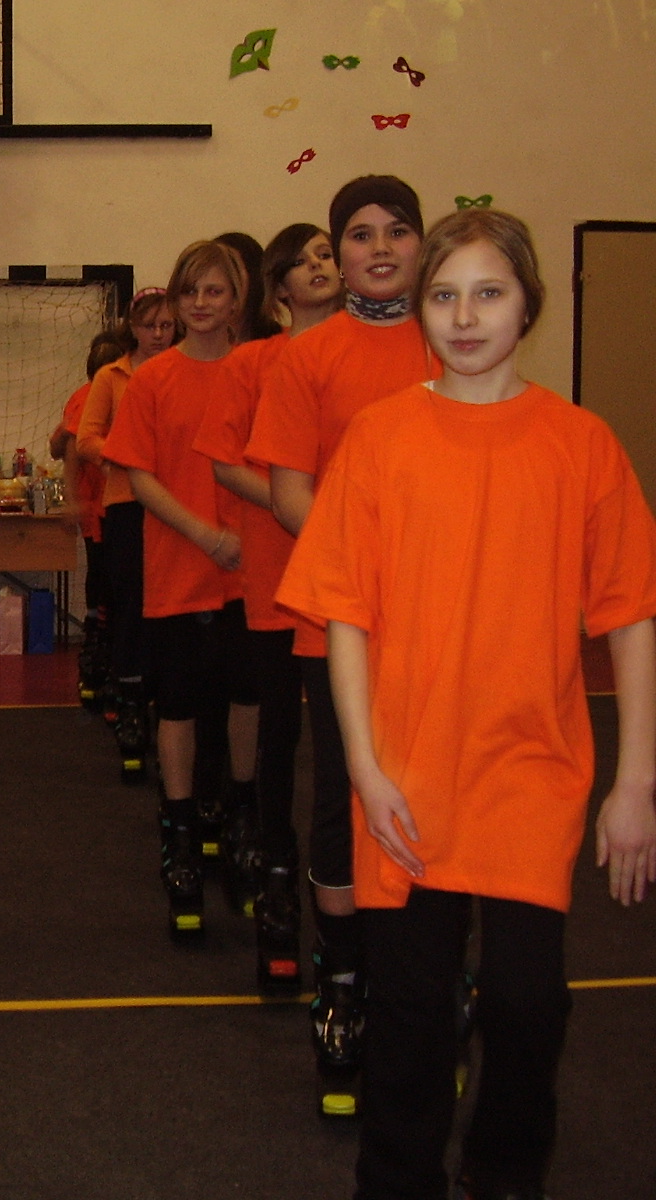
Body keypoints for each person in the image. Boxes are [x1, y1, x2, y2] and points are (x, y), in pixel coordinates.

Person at [278, 206, 656, 1200]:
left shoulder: (580, 445)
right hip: (407, 776)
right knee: (408, 1016)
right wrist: (364, 770)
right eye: (444, 294)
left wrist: (635, 785)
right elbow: (345, 618)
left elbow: (630, 615)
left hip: (531, 772)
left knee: (528, 1007)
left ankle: (504, 1175)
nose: (464, 315)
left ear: (528, 304)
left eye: (488, 292)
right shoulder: (380, 437)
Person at [246, 175, 434, 1115]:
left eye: (398, 230)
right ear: (336, 250)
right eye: (360, 234)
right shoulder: (307, 357)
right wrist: (375, 577)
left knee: (438, 794)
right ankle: (346, 985)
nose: (380, 248)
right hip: (340, 627)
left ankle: (430, 984)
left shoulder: (453, 341)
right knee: (344, 804)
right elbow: (290, 493)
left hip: (443, 628)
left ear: (422, 243)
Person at [193, 222, 343, 981]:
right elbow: (225, 464)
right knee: (281, 733)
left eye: (328, 253)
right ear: (278, 286)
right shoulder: (254, 362)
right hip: (282, 579)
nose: (319, 266)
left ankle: (359, 896)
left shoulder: (375, 353)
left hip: (363, 583)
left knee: (353, 750)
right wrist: (302, 508)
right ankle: (279, 881)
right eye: (303, 259)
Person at [104, 241, 248, 938]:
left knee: (245, 700)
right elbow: (140, 477)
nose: (200, 303)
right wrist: (205, 534)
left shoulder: (261, 371)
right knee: (182, 705)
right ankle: (182, 838)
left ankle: (240, 823)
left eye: (214, 291)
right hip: (181, 568)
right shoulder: (153, 380)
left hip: (252, 574)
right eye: (190, 291)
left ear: (237, 299)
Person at [75, 288, 177, 775]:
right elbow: (86, 439)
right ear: (131, 329)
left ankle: (171, 702)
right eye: (149, 326)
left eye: (166, 326)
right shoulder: (111, 376)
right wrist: (127, 455)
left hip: (177, 507)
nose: (158, 334)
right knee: (131, 606)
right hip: (127, 505)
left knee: (172, 608)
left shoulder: (183, 369)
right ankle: (131, 704)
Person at [50, 329, 128, 711]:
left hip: (110, 506)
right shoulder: (91, 397)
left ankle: (104, 655)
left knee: (107, 584)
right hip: (101, 509)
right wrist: (74, 500)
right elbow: (68, 449)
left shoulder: (86, 396)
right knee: (105, 583)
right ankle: (101, 658)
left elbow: (58, 444)